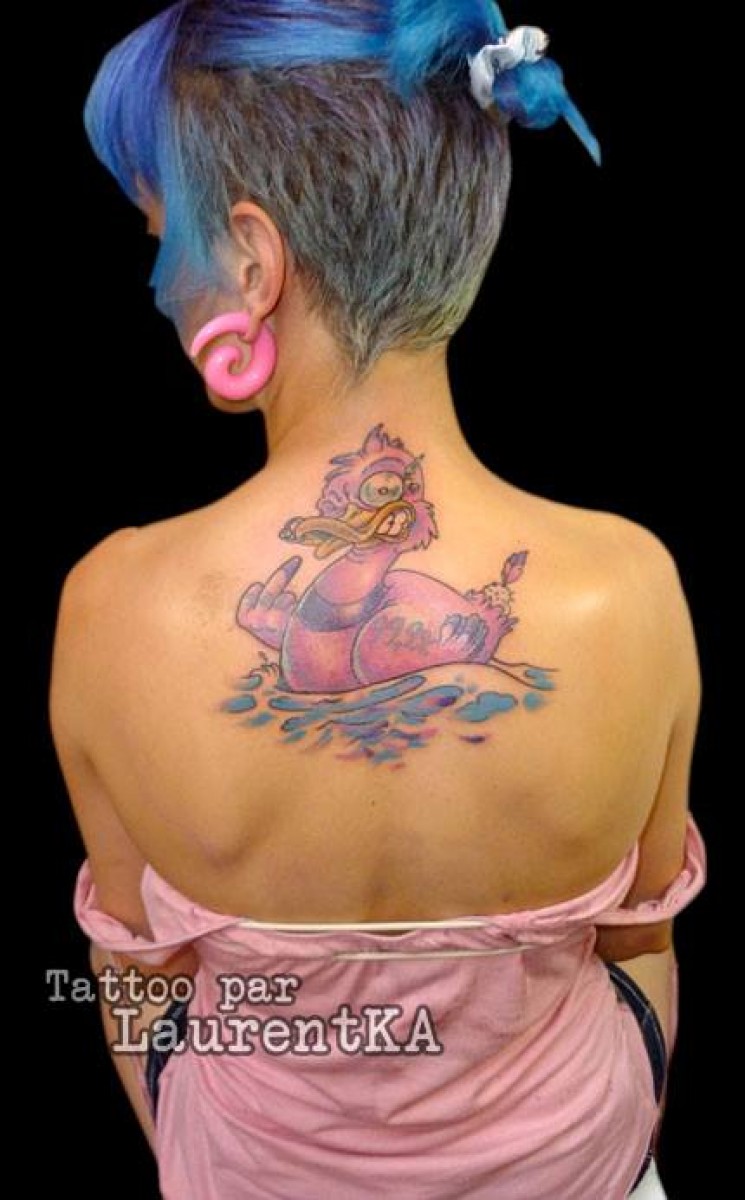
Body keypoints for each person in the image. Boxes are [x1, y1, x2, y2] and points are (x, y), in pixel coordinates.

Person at [49, 3, 705, 1197]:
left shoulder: (116, 612)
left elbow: (139, 977)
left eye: (161, 235)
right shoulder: (628, 594)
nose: (155, 284)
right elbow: (640, 946)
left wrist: (218, 1162)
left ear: (252, 259)